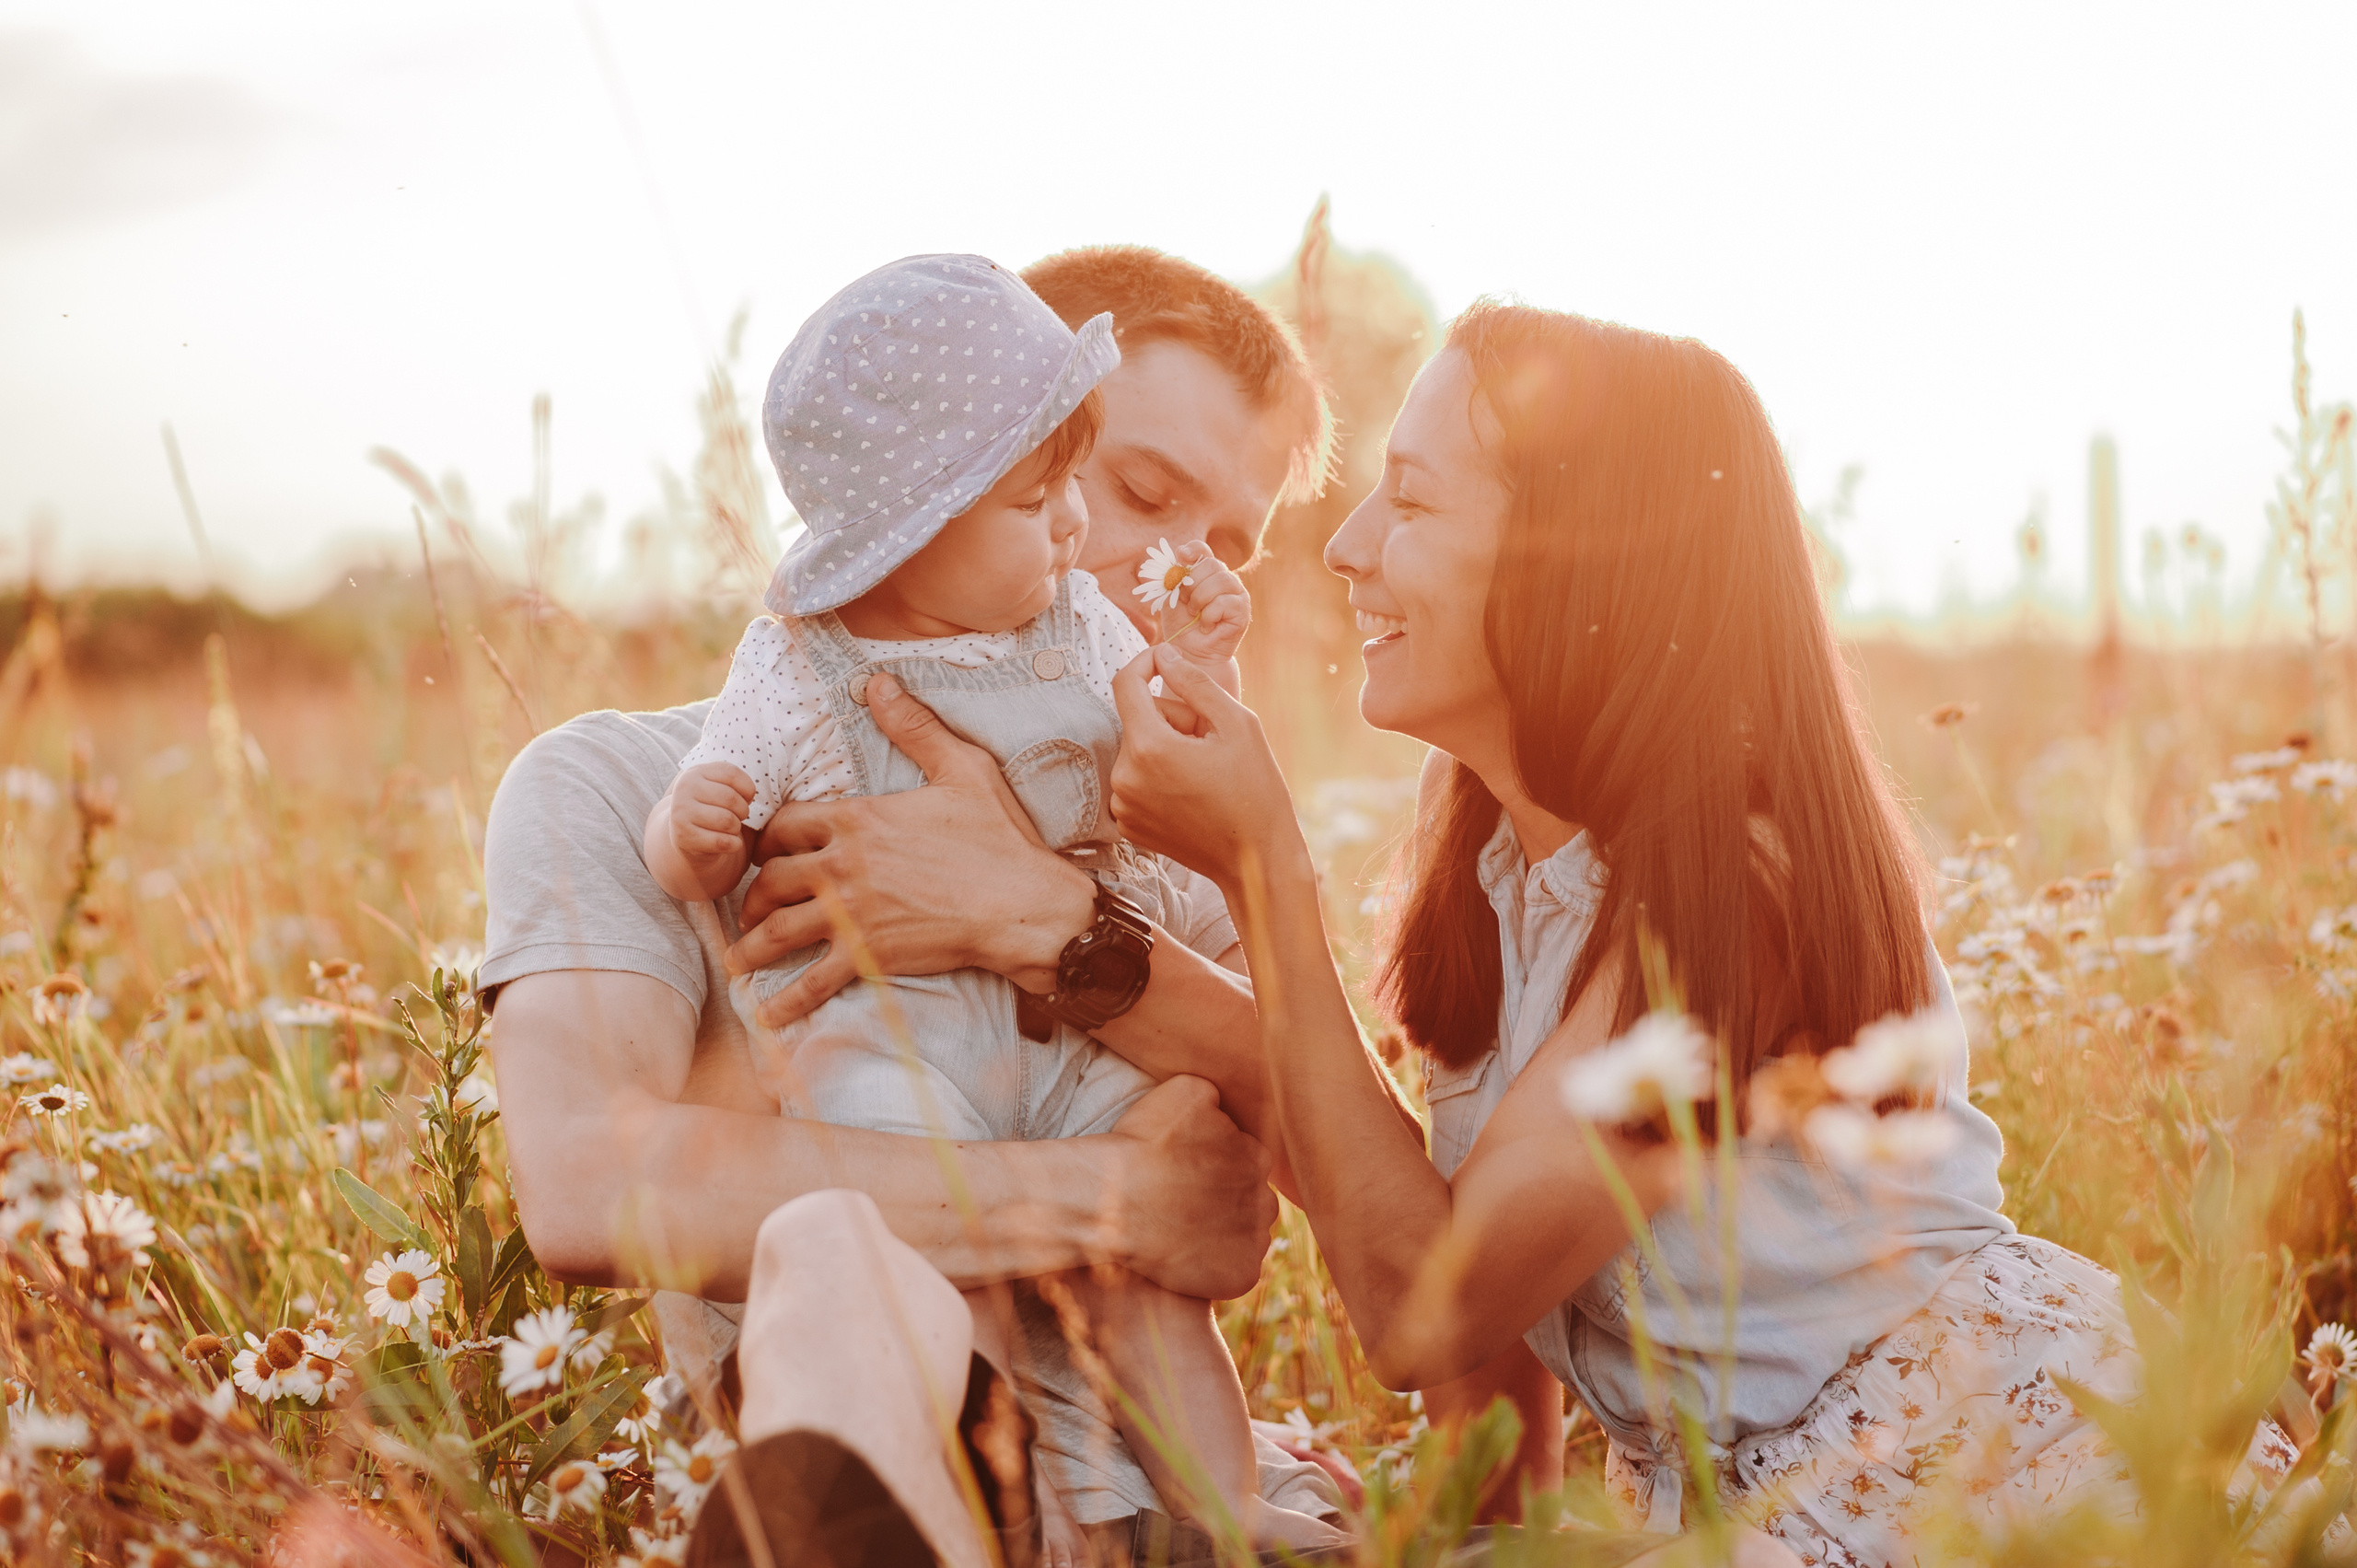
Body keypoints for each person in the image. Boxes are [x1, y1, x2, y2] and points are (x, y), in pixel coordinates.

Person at [1092, 300, 2317, 1561]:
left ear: (1575, 563)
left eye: (1410, 501)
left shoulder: (1739, 891)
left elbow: (1424, 1309)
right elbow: (1485, 1304)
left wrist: (1262, 871)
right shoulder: (1491, 841)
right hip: (1757, 1505)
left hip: (1977, 1467)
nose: (1347, 548)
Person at [482, 246, 1363, 1551]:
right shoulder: (628, 785)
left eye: (1229, 545)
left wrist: (1053, 921)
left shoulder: (1176, 823)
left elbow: (1339, 1177)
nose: (1173, 565)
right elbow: (593, 1185)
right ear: (948, 463)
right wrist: (1109, 1202)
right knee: (839, 1264)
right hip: (886, 1467)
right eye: (1134, 489)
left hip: (1176, 1501)